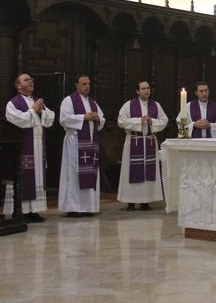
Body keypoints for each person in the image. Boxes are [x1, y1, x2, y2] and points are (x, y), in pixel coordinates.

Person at [5, 73, 55, 223]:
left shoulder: (37, 101)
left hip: (38, 146)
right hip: (23, 147)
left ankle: (34, 211)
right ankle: (20, 211)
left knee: (37, 177)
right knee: (24, 177)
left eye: (31, 79)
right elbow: (17, 119)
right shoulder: (13, 103)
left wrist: (41, 112)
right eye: (26, 80)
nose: (30, 81)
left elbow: (51, 118)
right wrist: (33, 111)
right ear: (18, 85)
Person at [116, 80, 168, 211]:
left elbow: (164, 121)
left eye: (148, 88)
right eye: (143, 88)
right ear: (138, 91)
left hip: (149, 141)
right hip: (134, 141)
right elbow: (121, 121)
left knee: (148, 172)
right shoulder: (128, 105)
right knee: (131, 171)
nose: (146, 90)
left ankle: (146, 201)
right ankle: (130, 201)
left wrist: (152, 121)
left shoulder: (156, 105)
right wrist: (139, 121)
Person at [59, 74, 105, 217]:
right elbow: (64, 119)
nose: (87, 87)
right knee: (74, 174)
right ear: (77, 85)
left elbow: (102, 119)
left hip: (90, 143)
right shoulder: (69, 100)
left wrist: (97, 118)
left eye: (88, 84)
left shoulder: (92, 102)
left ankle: (88, 207)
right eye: (84, 84)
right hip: (75, 143)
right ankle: (74, 208)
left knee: (90, 173)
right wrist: (84, 117)